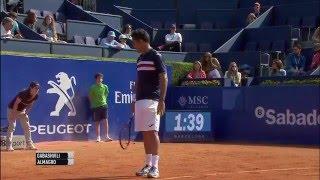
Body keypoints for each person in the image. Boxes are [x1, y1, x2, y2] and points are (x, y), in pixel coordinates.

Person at [131, 29, 168, 178]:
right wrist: (134, 99)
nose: (134, 46)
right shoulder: (139, 59)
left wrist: (162, 99)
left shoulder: (156, 56)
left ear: (141, 41)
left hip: (153, 99)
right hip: (140, 100)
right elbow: (138, 81)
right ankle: (147, 164)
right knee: (145, 134)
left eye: (134, 43)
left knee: (153, 133)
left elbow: (163, 78)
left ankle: (155, 167)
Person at [6, 82, 40, 151]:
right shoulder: (23, 94)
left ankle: (29, 145)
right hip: (12, 109)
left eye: (38, 88)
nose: (37, 90)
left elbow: (30, 104)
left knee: (27, 127)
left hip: (22, 110)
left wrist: (26, 113)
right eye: (35, 88)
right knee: (12, 126)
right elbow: (16, 104)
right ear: (31, 88)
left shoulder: (36, 95)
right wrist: (14, 115)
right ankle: (8, 146)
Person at [89, 73, 112, 142]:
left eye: (101, 78)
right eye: (98, 78)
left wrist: (103, 101)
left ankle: (106, 136)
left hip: (104, 106)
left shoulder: (105, 87)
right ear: (96, 79)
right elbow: (90, 96)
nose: (100, 79)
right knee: (97, 122)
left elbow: (106, 94)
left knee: (105, 121)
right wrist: (93, 103)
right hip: (96, 106)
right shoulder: (92, 87)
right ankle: (98, 137)